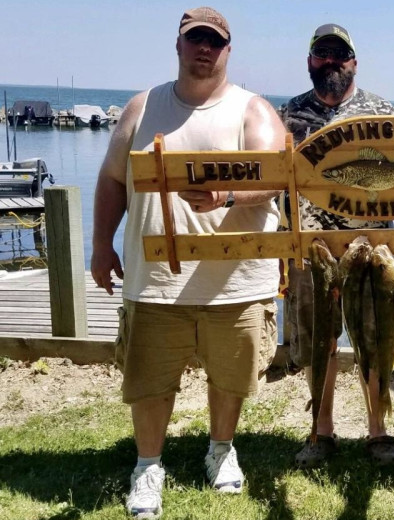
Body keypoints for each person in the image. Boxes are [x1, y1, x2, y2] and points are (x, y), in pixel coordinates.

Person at [90, 7, 285, 518]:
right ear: (177, 45)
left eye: (214, 41)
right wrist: (101, 245)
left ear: (227, 50)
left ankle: (221, 450)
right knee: (149, 381)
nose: (204, 48)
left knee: (230, 378)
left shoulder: (252, 109)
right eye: (194, 39)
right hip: (155, 279)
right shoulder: (140, 107)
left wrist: (227, 194)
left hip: (235, 280)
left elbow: (277, 174)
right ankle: (148, 464)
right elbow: (112, 178)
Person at [279, 23, 394, 468]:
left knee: (376, 337)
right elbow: (278, 185)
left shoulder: (381, 110)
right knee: (318, 343)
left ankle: (379, 429)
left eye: (339, 54)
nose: (331, 61)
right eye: (322, 54)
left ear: (354, 61)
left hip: (372, 252)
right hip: (312, 254)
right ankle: (321, 429)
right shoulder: (289, 114)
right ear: (310, 61)